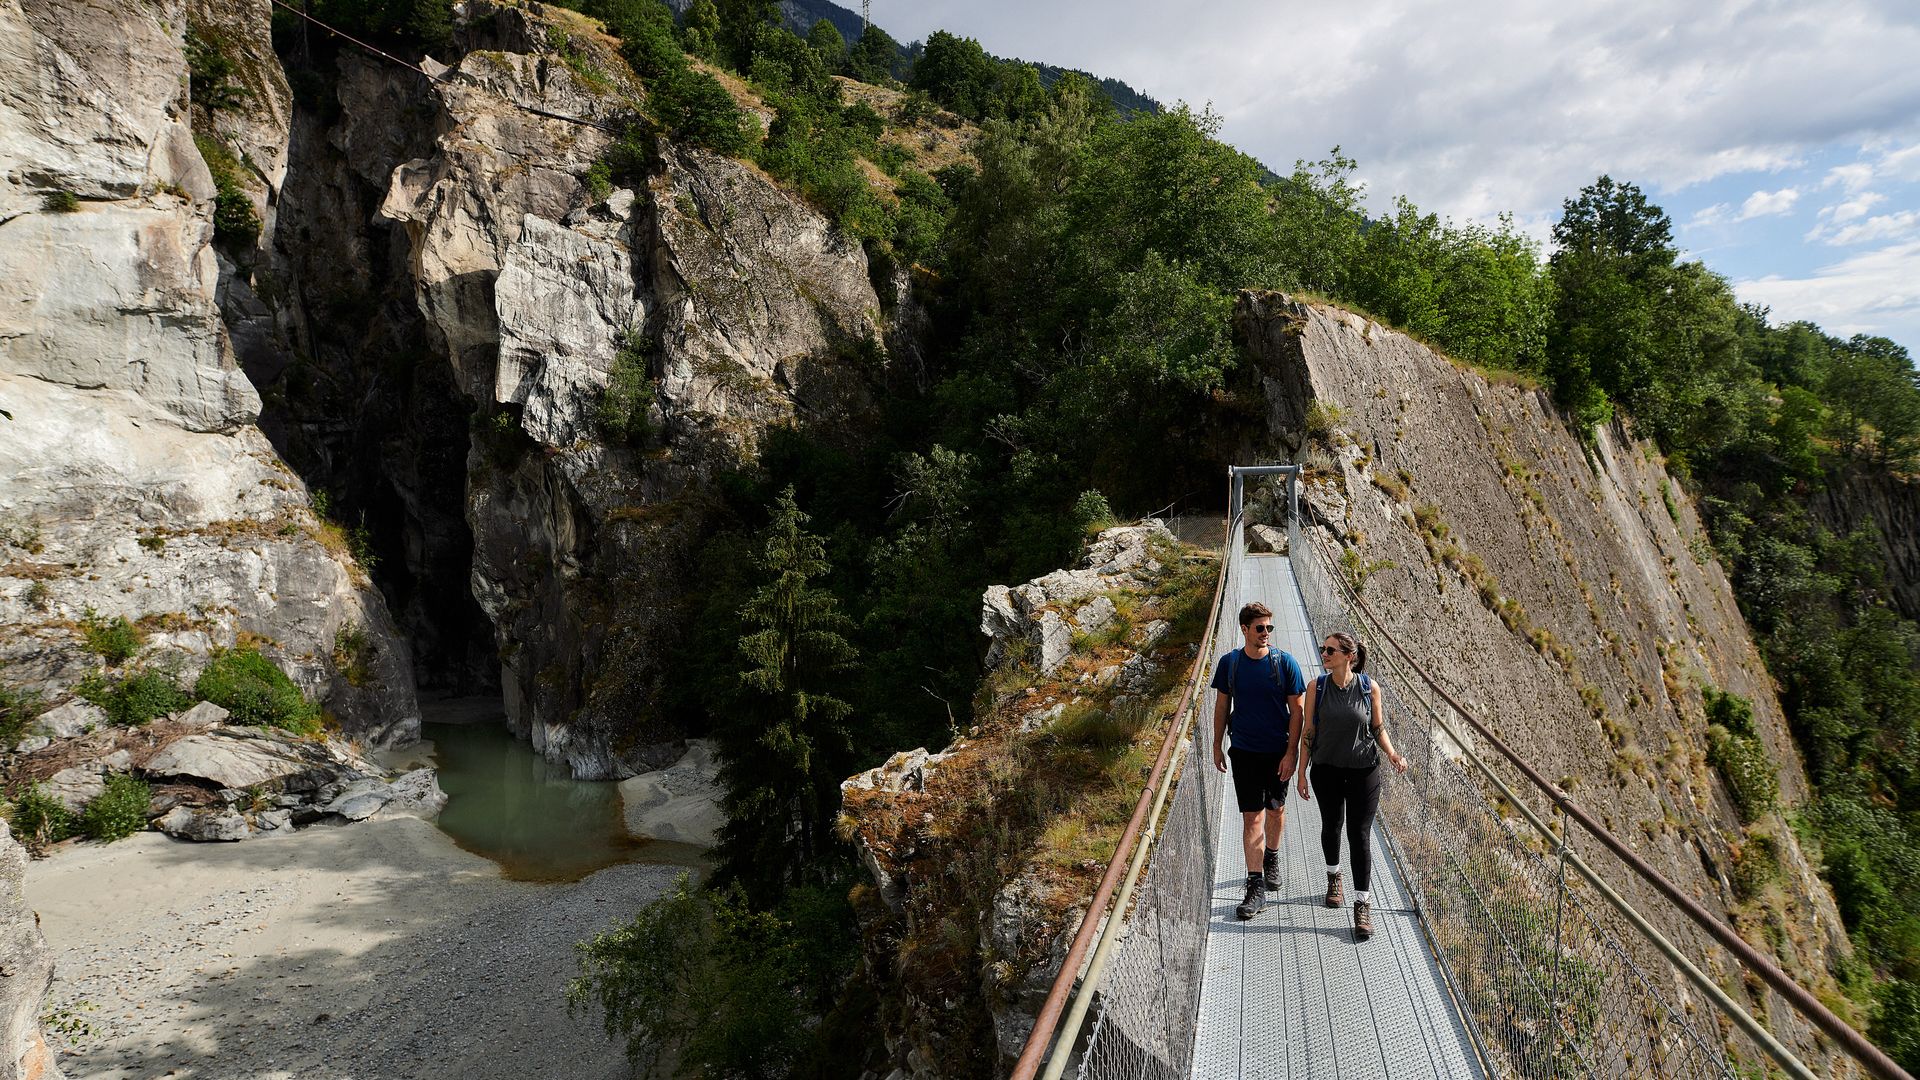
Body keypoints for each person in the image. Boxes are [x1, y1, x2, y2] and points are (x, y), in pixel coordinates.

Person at [1295, 630, 1408, 941]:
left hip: (1363, 771)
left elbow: (1378, 728)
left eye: (1330, 650)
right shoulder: (1316, 687)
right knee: (1331, 826)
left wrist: (1393, 753)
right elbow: (1309, 731)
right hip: (1326, 769)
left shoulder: (1369, 688)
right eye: (1323, 648)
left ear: (1349, 656)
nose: (1324, 654)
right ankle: (1334, 878)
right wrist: (1301, 772)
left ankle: (1362, 904)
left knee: (1359, 835)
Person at [1210, 602, 1307, 920]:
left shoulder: (1285, 663)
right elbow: (1222, 705)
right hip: (1244, 752)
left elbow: (1299, 712)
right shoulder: (1231, 664)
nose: (1266, 633)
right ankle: (1256, 887)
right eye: (1260, 628)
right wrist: (1216, 744)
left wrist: (1292, 753)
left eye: (1269, 628)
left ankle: (1272, 857)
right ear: (1244, 629)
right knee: (1252, 818)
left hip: (1277, 752)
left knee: (1276, 811)